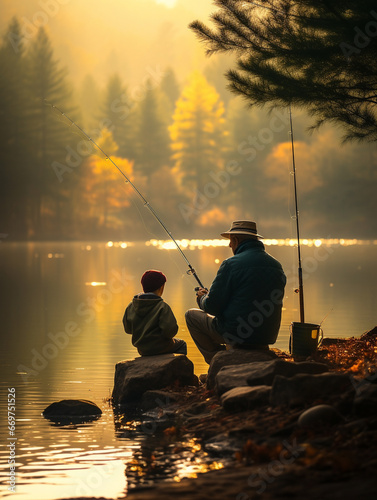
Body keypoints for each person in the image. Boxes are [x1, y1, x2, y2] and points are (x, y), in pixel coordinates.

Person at [185, 220, 286, 363]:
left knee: (191, 316)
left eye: (230, 241)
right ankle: (230, 357)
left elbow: (212, 307)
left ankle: (217, 362)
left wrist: (202, 299)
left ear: (236, 240)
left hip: (237, 333)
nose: (229, 245)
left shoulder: (231, 264)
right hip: (266, 335)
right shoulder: (277, 266)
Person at [123, 270, 187, 356]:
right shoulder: (162, 306)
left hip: (142, 349)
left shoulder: (132, 306)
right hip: (162, 347)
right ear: (161, 287)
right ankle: (176, 367)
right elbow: (170, 331)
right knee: (182, 344)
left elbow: (128, 329)